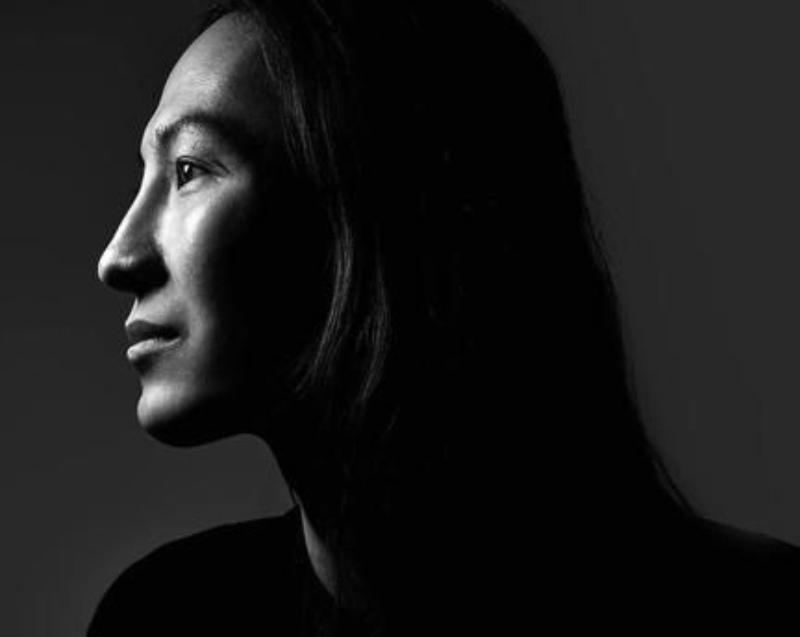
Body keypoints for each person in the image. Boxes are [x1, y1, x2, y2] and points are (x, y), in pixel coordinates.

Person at [89, 0, 800, 634]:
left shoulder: (759, 611)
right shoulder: (167, 614)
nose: (118, 257)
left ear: (382, 202)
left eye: (189, 170)